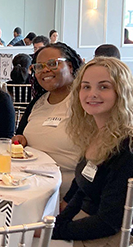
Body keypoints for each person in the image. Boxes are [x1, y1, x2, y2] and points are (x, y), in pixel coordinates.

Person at [34, 56, 133, 247]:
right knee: (22, 242)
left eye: (104, 86)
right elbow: (82, 189)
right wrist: (60, 216)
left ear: (122, 92)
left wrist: (56, 231)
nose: (92, 94)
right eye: (86, 86)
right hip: (99, 237)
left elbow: (108, 222)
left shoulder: (131, 149)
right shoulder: (100, 133)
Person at [12, 43, 83, 196]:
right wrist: (21, 140)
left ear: (70, 66)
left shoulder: (85, 103)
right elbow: (20, 137)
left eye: (52, 64)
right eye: (39, 66)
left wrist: (70, 201)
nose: (45, 70)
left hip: (66, 196)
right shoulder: (38, 102)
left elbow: (94, 163)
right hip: (27, 187)